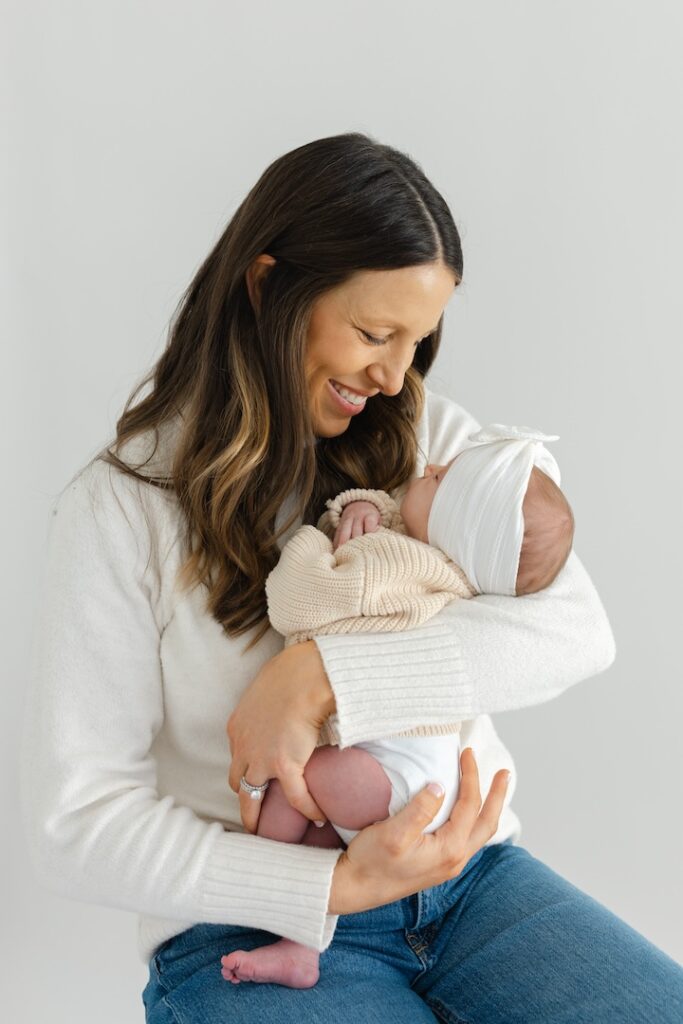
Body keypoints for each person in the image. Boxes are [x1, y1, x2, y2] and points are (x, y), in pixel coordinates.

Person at [20, 132, 683, 1022]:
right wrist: (324, 885)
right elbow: (77, 823)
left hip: (469, 885)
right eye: (374, 334)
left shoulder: (429, 444)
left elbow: (575, 631)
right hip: (248, 922)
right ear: (267, 287)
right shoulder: (121, 507)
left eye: (417, 340)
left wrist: (327, 675)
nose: (394, 376)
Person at [220, 424, 575, 988]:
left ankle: (265, 894)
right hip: (422, 782)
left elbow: (297, 602)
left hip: (394, 780)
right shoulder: (447, 573)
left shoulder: (390, 565)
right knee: (321, 836)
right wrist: (364, 507)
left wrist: (313, 538)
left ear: (454, 528)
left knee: (291, 782)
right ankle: (299, 947)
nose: (428, 468)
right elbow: (395, 529)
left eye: (441, 480)